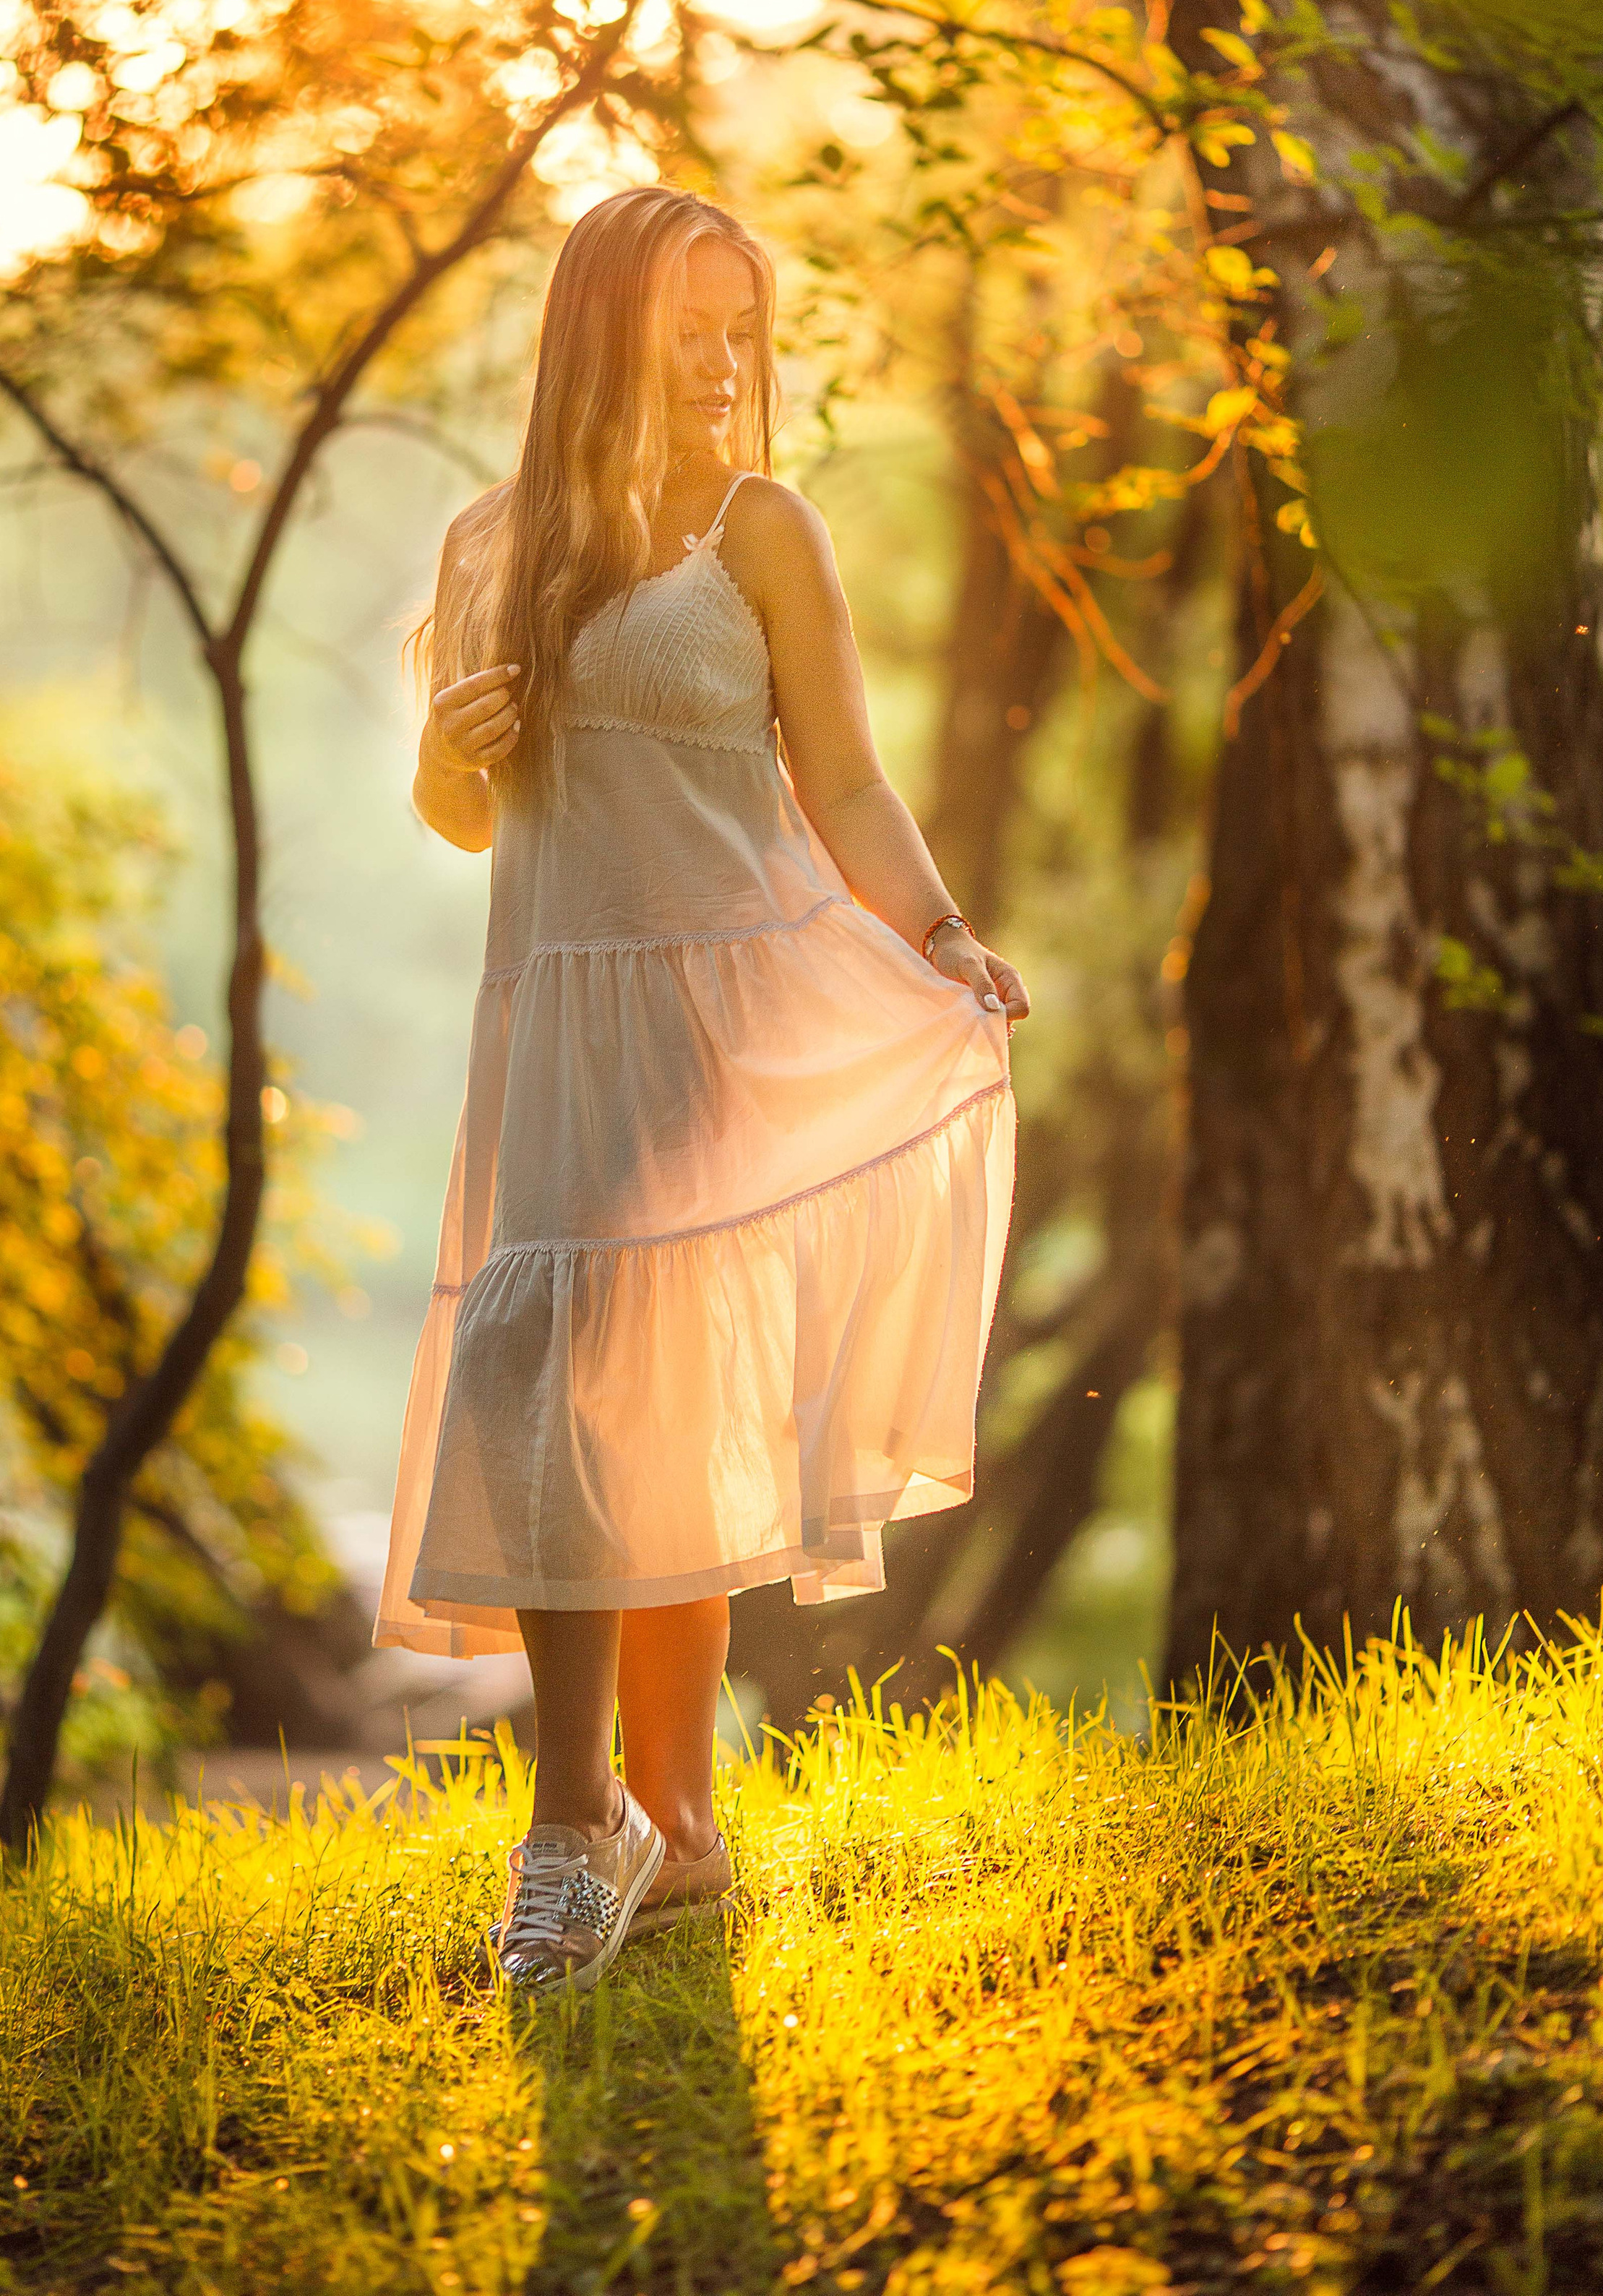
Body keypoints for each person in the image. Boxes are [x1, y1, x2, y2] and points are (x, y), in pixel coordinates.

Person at [376, 185, 1023, 1992]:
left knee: (648, 1407)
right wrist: (440, 754)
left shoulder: (759, 530)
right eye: (687, 330)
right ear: (600, 333)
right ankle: (583, 1823)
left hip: (728, 1022)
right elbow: (464, 816)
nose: (723, 363)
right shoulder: (491, 543)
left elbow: (848, 786)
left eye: (742, 331)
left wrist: (939, 935)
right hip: (561, 1019)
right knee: (559, 1384)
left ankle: (652, 1827)